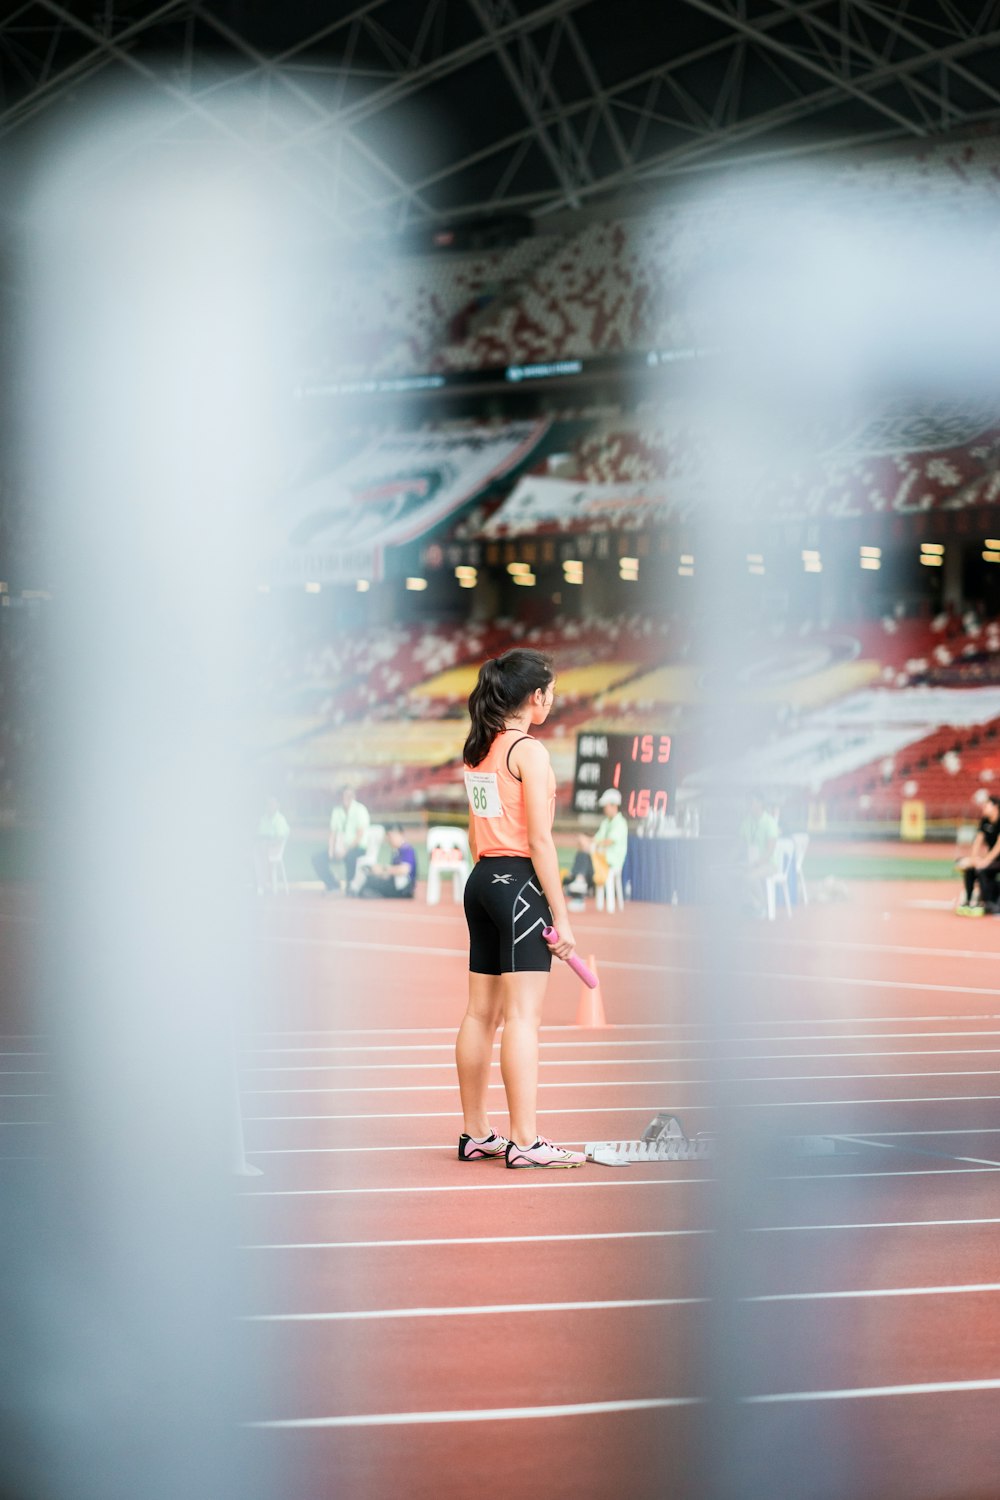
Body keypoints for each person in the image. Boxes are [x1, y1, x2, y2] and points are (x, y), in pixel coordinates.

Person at [455, 648, 585, 1170]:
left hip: (482, 880)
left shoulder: (479, 748)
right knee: (524, 1018)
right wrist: (562, 914)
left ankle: (475, 1133)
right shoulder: (528, 752)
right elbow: (541, 841)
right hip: (519, 886)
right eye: (550, 692)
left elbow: (474, 832)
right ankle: (526, 1142)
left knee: (479, 1014)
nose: (552, 700)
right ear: (535, 697)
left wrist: (491, 884)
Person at [312, 785, 370, 893]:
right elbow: (332, 833)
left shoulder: (360, 810)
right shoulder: (337, 811)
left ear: (353, 796)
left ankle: (350, 886)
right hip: (339, 847)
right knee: (317, 859)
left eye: (348, 795)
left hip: (357, 847)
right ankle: (332, 884)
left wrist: (346, 850)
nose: (346, 798)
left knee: (350, 857)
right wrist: (331, 850)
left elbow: (359, 835)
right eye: (343, 795)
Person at [958, 793, 1000, 914]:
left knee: (982, 869)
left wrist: (985, 861)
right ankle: (969, 899)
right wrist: (973, 859)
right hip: (993, 859)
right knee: (971, 868)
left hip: (996, 859)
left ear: (995, 806)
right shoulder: (985, 821)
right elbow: (978, 840)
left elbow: (998, 847)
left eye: (986, 805)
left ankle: (988, 903)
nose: (983, 807)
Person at [740, 792, 780, 916]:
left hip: (769, 864)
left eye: (751, 802)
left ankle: (762, 906)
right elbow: (740, 844)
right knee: (735, 875)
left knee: (749, 877)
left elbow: (770, 851)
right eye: (748, 802)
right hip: (752, 862)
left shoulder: (770, 822)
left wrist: (756, 863)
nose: (748, 805)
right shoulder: (747, 821)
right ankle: (752, 905)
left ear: (760, 804)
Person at [358, 823, 417, 899]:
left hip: (403, 888)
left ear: (400, 834)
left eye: (391, 836)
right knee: (371, 879)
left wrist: (382, 869)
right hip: (396, 883)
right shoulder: (396, 852)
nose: (389, 839)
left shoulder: (406, 849)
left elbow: (404, 870)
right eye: (388, 836)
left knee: (370, 884)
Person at [592, 788, 629, 910]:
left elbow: (607, 841)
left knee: (586, 855)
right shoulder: (605, 822)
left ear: (614, 805)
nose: (604, 809)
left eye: (606, 806)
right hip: (602, 858)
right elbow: (597, 839)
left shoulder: (621, 823)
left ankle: (579, 882)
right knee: (586, 853)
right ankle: (579, 881)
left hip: (613, 861)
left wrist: (593, 844)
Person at [254, 794, 290, 895]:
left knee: (261, 850)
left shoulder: (280, 820)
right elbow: (259, 835)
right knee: (257, 850)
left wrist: (268, 843)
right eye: (267, 804)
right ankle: (261, 882)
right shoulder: (263, 819)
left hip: (275, 848)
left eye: (272, 804)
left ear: (278, 805)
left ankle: (262, 883)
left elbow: (280, 838)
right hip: (263, 847)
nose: (269, 806)